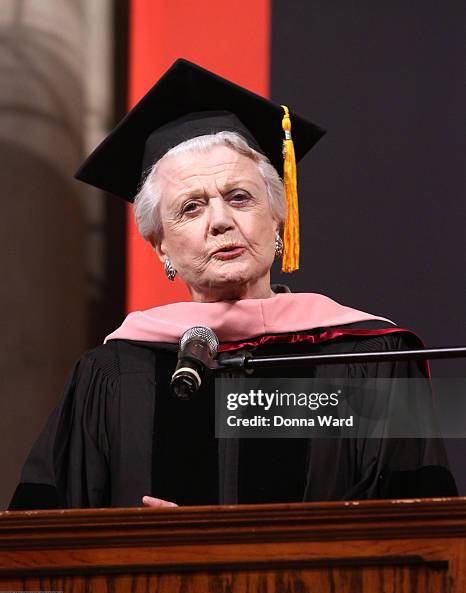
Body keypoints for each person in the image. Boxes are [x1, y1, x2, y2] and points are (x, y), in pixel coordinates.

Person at [9, 59, 457, 510]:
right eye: (191, 207)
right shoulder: (110, 376)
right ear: (160, 245)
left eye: (239, 197)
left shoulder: (371, 357)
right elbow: (40, 554)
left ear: (278, 219)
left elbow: (425, 535)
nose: (220, 221)